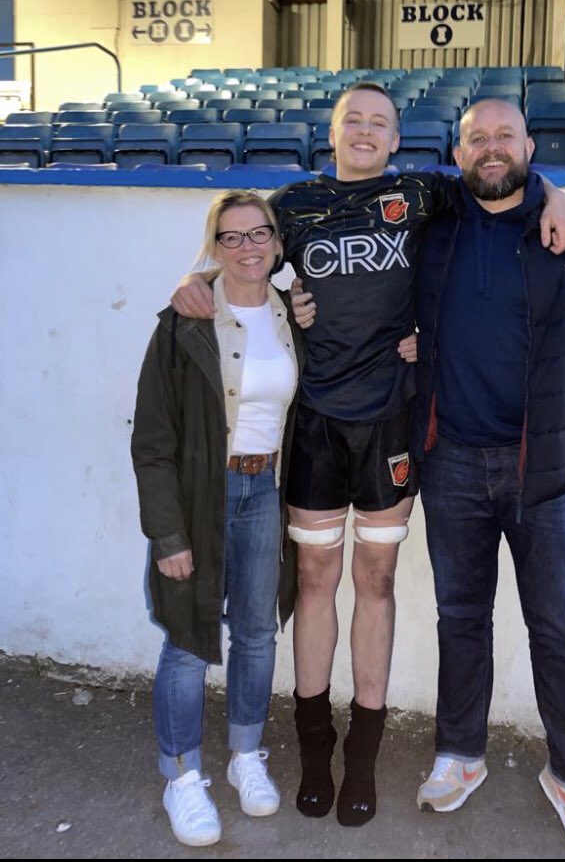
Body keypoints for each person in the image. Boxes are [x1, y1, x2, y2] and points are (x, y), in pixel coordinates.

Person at [170, 82, 565, 827]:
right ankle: (316, 748)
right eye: (352, 120)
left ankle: (362, 755)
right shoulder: (291, 207)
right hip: (318, 425)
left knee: (378, 577)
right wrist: (193, 281)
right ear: (329, 133)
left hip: (392, 422)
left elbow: (501, 177)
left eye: (379, 123)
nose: (365, 131)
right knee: (318, 577)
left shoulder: (424, 193)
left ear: (399, 140)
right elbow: (238, 254)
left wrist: (558, 196)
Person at [411, 98, 565, 860]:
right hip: (450, 464)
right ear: (456, 149)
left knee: (560, 629)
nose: (490, 147)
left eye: (503, 135)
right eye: (475, 136)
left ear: (529, 146)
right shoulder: (433, 226)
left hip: (541, 472)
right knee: (461, 617)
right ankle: (459, 751)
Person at [131, 191, 304, 847]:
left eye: (259, 233)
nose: (248, 247)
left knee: (257, 632)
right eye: (230, 238)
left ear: (276, 241)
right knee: (187, 635)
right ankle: (181, 773)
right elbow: (151, 441)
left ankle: (245, 755)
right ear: (214, 247)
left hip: (265, 492)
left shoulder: (295, 314)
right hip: (201, 492)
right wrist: (167, 534)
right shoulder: (184, 323)